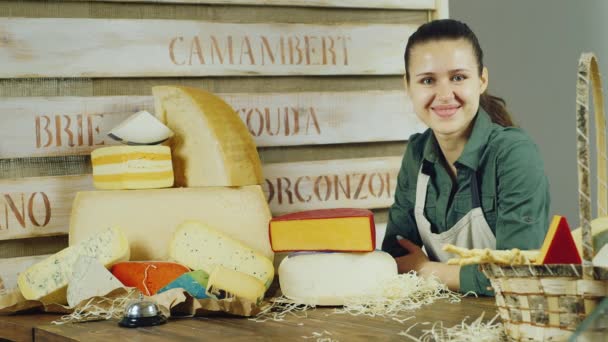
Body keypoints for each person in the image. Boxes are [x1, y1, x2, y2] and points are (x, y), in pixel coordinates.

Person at [381, 19, 550, 296]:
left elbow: (520, 277)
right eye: (427, 80)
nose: (445, 95)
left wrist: (427, 270)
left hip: (514, 326)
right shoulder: (416, 154)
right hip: (443, 324)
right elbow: (397, 259)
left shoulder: (514, 154)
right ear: (408, 86)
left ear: (482, 80)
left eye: (458, 77)